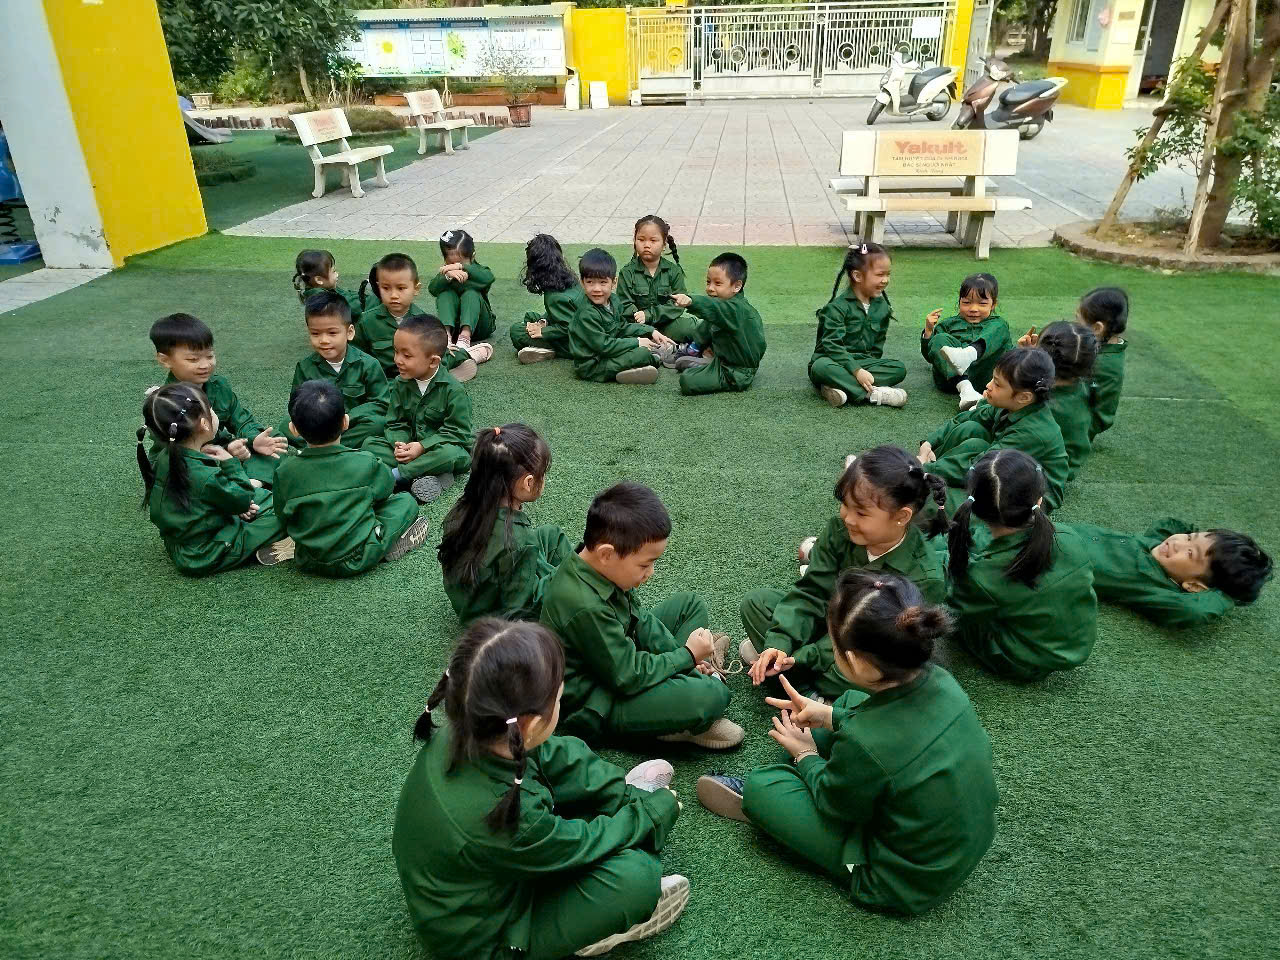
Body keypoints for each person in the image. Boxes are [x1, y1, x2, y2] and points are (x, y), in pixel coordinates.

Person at [696, 570, 998, 916]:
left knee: (764, 785)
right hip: (956, 846)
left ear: (854, 661)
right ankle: (813, 759)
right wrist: (827, 715)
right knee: (850, 703)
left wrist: (806, 755)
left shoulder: (866, 744)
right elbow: (890, 734)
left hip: (895, 880)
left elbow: (835, 803)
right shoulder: (942, 680)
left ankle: (769, 805)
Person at [393, 618, 691, 960]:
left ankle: (622, 803)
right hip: (489, 937)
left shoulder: (473, 729)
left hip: (486, 876)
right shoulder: (510, 818)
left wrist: (625, 796)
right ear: (531, 724)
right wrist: (650, 814)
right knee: (636, 877)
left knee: (567, 761)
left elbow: (557, 755)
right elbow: (582, 845)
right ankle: (591, 932)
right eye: (558, 698)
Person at [539, 482, 743, 748]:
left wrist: (685, 659)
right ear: (607, 554)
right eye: (645, 565)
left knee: (690, 606)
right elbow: (627, 675)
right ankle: (676, 720)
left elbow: (641, 620)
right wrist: (686, 656)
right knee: (711, 694)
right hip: (602, 700)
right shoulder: (583, 605)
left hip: (620, 662)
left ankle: (681, 689)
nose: (651, 573)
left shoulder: (596, 565)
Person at [739, 445, 948, 698]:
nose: (848, 518)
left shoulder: (924, 576)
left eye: (861, 512)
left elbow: (880, 646)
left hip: (866, 651)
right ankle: (796, 680)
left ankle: (798, 686)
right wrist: (780, 643)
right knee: (757, 604)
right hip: (832, 626)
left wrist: (803, 656)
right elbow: (812, 592)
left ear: (902, 517)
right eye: (845, 505)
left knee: (881, 680)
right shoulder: (840, 531)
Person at [947, 449, 1097, 681]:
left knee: (954, 618)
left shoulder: (981, 576)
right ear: (1039, 500)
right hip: (1071, 646)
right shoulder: (1069, 536)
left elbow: (955, 603)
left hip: (1020, 660)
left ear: (974, 508)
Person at [272, 380, 428, 576]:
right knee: (405, 501)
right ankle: (385, 545)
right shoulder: (365, 461)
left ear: (293, 429)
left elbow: (282, 514)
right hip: (359, 557)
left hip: (308, 560)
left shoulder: (284, 471)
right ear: (345, 422)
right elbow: (385, 490)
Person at [136, 383, 292, 574]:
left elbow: (201, 497)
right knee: (285, 515)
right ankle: (293, 540)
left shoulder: (165, 457)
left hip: (182, 544)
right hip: (207, 553)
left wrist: (236, 505)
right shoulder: (206, 476)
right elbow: (242, 497)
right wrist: (230, 463)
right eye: (211, 410)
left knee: (261, 497)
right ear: (204, 424)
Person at [439, 424, 573, 624]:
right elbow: (521, 607)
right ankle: (579, 584)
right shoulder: (518, 539)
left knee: (551, 534)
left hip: (471, 603)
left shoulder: (462, 509)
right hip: (495, 621)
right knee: (570, 574)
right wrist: (565, 575)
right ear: (528, 483)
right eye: (543, 473)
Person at [918, 347, 1069, 511]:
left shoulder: (1032, 433)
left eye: (997, 384)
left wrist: (922, 469)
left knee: (940, 504)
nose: (988, 386)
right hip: (1003, 468)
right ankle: (929, 474)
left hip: (1026, 494)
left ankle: (927, 479)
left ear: (1024, 397)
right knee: (971, 429)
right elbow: (967, 418)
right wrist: (929, 443)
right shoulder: (1012, 405)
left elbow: (981, 467)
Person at [150, 313, 287, 485]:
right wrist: (224, 452)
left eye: (209, 356)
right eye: (193, 359)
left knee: (274, 440)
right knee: (189, 473)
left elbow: (242, 421)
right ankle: (245, 486)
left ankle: (252, 483)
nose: (205, 365)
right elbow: (177, 450)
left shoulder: (219, 385)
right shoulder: (164, 402)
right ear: (165, 360)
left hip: (222, 451)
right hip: (185, 460)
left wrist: (254, 440)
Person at [1059, 518, 1271, 628]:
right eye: (1189, 537)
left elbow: (1195, 611)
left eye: (1190, 553)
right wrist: (1203, 540)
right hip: (1056, 529)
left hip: (1054, 559)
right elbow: (1169, 523)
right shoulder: (1157, 543)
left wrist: (1227, 596)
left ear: (1194, 586)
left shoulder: (1156, 589)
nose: (1178, 543)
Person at [362, 315, 473, 504]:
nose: (397, 360)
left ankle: (396, 476)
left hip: (438, 450)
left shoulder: (454, 391)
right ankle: (433, 476)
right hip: (411, 449)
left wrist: (422, 447)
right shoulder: (400, 383)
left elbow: (458, 433)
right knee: (370, 444)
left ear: (433, 361)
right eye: (396, 351)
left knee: (453, 455)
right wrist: (401, 445)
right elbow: (395, 422)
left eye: (407, 356)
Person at [281, 291, 388, 450]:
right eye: (315, 333)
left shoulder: (369, 364)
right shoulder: (304, 367)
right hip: (318, 424)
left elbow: (381, 403)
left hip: (352, 425)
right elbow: (295, 405)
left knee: (379, 424)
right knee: (285, 426)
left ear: (349, 332)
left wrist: (349, 417)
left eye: (332, 333)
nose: (324, 340)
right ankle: (337, 448)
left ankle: (320, 449)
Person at [352, 252, 481, 382]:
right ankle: (440, 376)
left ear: (416, 289)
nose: (393, 295)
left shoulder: (424, 321)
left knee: (446, 355)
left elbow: (434, 354)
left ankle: (466, 355)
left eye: (401, 288)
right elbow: (357, 357)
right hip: (388, 379)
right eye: (386, 288)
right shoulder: (366, 321)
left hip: (419, 372)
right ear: (378, 287)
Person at [809, 241, 908, 408]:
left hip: (864, 363)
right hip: (833, 361)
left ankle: (837, 386)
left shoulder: (883, 308)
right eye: (880, 274)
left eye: (888, 274)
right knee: (820, 367)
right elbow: (831, 346)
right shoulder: (836, 308)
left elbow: (877, 347)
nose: (885, 280)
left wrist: (865, 369)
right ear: (857, 276)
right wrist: (857, 371)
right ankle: (872, 394)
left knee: (899, 368)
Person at [568, 248, 673, 386]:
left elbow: (621, 327)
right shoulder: (587, 314)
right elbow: (604, 346)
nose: (596, 289)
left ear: (614, 282)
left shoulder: (614, 301)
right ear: (582, 283)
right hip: (593, 365)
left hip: (607, 354)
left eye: (603, 282)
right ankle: (655, 357)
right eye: (590, 282)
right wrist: (637, 342)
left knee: (639, 346)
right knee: (641, 354)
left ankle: (633, 369)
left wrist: (650, 331)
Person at [668, 252, 767, 396]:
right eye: (708, 282)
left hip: (736, 372)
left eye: (718, 283)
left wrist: (691, 301)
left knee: (687, 380)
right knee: (710, 319)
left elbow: (713, 307)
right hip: (725, 356)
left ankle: (706, 361)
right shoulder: (727, 305)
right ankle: (695, 350)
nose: (710, 288)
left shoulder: (736, 310)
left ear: (737, 286)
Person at [920, 272, 1012, 410]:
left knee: (1000, 325)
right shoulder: (947, 324)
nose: (973, 309)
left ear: (993, 304)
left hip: (985, 379)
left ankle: (969, 354)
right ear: (959, 302)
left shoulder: (998, 325)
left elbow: (1008, 356)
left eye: (982, 303)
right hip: (950, 382)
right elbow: (931, 357)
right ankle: (965, 387)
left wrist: (1025, 348)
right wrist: (928, 332)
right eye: (967, 302)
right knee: (939, 338)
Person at [616, 215, 697, 344]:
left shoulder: (673, 271)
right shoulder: (627, 273)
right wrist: (642, 320)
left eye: (653, 240)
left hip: (667, 324)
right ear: (635, 241)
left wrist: (649, 315)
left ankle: (664, 345)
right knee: (618, 332)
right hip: (638, 326)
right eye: (641, 240)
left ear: (664, 244)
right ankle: (657, 345)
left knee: (694, 328)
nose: (647, 245)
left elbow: (677, 305)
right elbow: (624, 304)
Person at [1035, 321, 1099, 482]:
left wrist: (1022, 360)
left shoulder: (1044, 403)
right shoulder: (1079, 386)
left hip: (1044, 473)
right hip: (1064, 466)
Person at [510, 233, 582, 363]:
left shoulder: (554, 297)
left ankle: (549, 349)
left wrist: (543, 332)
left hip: (574, 344)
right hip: (577, 330)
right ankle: (542, 343)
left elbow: (570, 326)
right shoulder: (571, 279)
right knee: (530, 316)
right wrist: (543, 322)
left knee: (517, 331)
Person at [429, 229, 496, 350]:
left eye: (460, 262)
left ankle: (465, 335)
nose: (455, 267)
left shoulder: (478, 271)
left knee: (471, 293)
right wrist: (447, 276)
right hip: (455, 328)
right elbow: (433, 289)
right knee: (445, 294)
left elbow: (488, 278)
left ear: (472, 256)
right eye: (451, 263)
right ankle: (446, 335)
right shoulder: (447, 273)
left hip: (480, 326)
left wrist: (462, 267)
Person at [1077, 286, 1130, 441]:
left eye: (1078, 320)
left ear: (1097, 328)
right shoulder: (1098, 345)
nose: (1074, 325)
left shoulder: (1105, 366)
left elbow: (1102, 416)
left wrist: (1074, 435)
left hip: (1075, 432)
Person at [292, 248, 363, 322]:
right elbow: (355, 308)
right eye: (334, 271)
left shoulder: (324, 290)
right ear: (319, 280)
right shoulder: (323, 301)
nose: (337, 274)